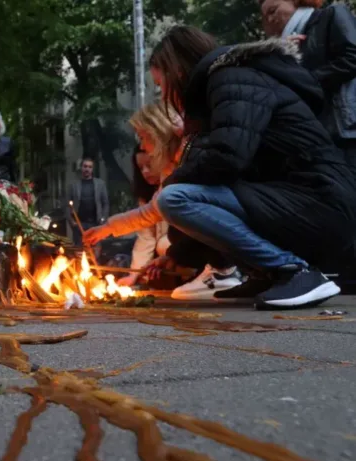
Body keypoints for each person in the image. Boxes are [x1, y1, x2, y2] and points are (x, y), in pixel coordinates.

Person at [143, 25, 356, 309]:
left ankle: (292, 271)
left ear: (177, 72)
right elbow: (229, 195)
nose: (164, 93)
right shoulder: (228, 83)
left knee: (175, 198)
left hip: (320, 199)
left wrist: (172, 182)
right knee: (184, 195)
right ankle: (268, 274)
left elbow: (228, 156)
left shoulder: (231, 79)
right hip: (307, 199)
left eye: (161, 84)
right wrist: (178, 254)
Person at [84, 101, 242, 299]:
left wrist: (172, 254)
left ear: (156, 131)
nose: (141, 145)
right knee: (173, 234)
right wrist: (108, 228)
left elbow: (166, 210)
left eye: (142, 137)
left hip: (239, 222)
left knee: (174, 229)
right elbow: (151, 213)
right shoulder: (174, 162)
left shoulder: (191, 154)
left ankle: (222, 270)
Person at [260, 0, 356, 156]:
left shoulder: (331, 14)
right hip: (315, 135)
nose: (270, 19)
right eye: (265, 17)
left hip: (345, 127)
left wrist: (306, 80)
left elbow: (352, 57)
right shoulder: (284, 46)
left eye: (273, 11)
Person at [65, 158, 109, 247]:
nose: (87, 169)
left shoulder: (100, 184)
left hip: (96, 224)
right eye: (85, 166)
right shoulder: (73, 185)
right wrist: (72, 222)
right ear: (81, 168)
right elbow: (66, 205)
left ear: (92, 169)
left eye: (90, 167)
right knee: (79, 252)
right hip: (79, 224)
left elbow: (105, 203)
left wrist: (103, 219)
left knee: (95, 251)